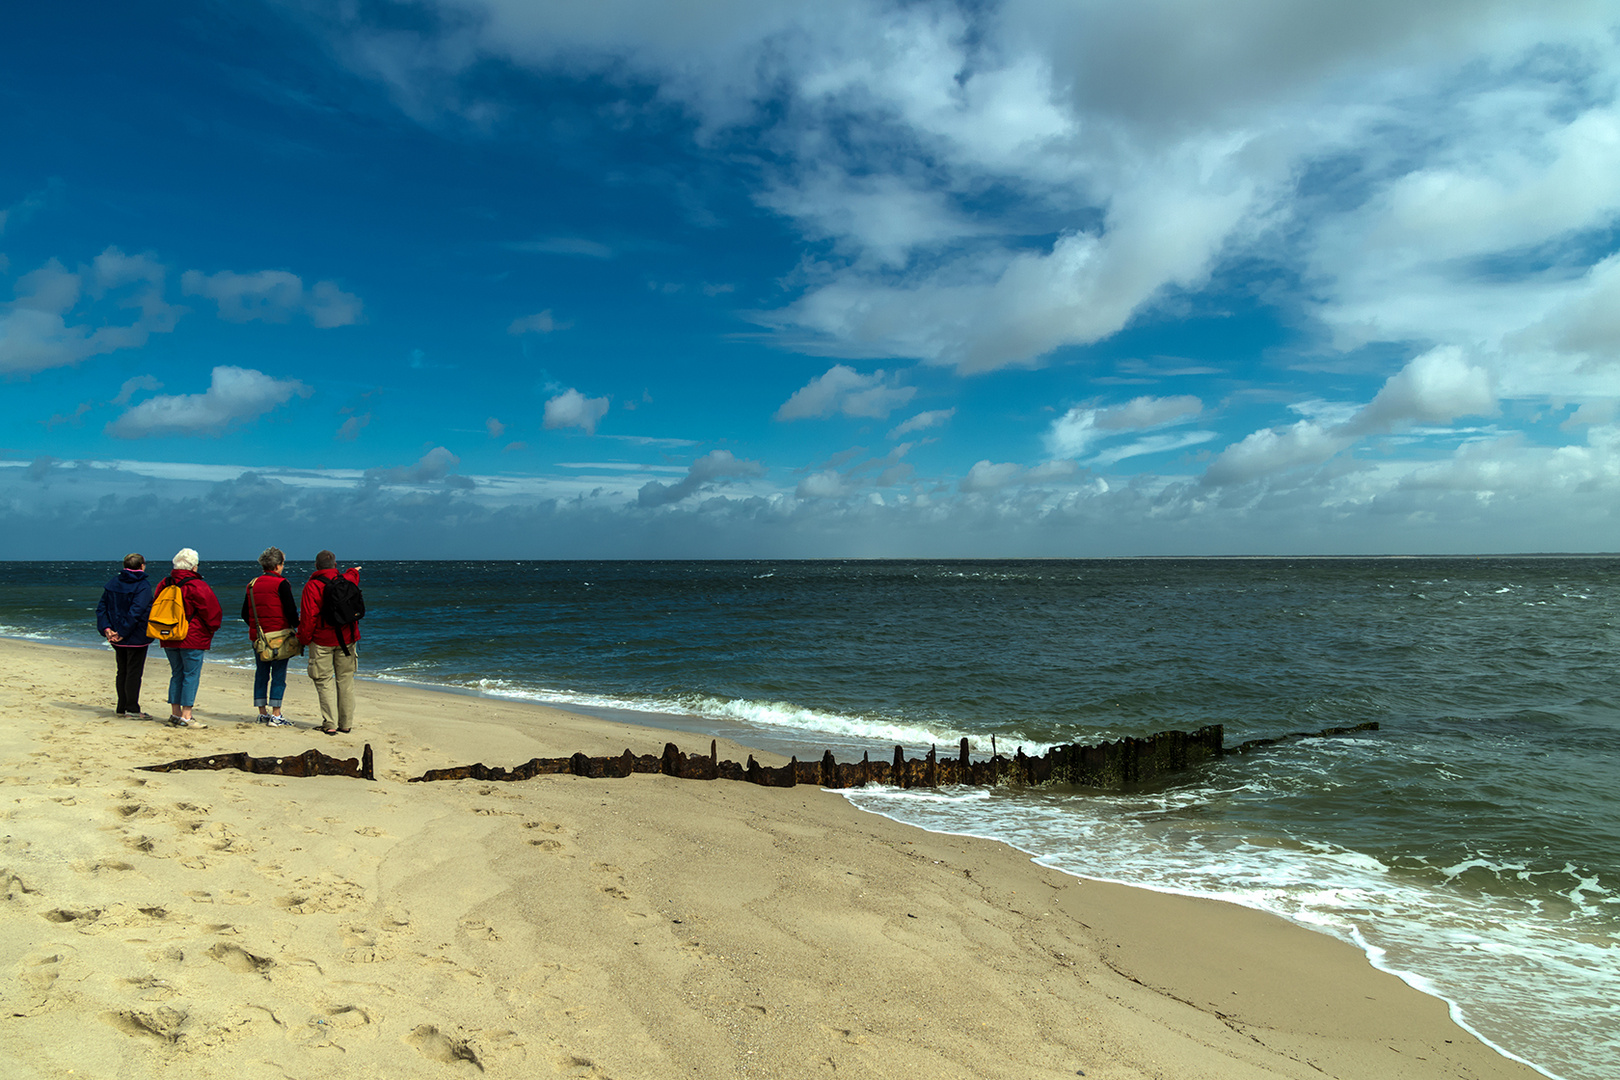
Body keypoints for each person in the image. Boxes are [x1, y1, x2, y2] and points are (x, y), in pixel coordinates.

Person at [299, 550, 362, 735]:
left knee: (324, 681)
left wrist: (303, 639)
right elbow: (352, 575)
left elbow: (308, 617)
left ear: (316, 566)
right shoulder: (347, 580)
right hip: (348, 639)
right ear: (335, 566)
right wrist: (353, 570)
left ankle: (330, 724)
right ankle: (346, 723)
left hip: (321, 641)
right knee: (346, 681)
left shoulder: (312, 586)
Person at [158, 548, 222, 728]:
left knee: (176, 673)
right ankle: (187, 716)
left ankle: (175, 713)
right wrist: (212, 629)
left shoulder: (165, 583)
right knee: (190, 675)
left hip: (168, 634)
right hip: (192, 636)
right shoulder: (197, 585)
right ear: (194, 566)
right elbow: (212, 612)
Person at [241, 545, 299, 726]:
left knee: (261, 673)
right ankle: (276, 713)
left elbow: (245, 613)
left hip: (259, 637)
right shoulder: (282, 583)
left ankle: (262, 712)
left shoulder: (252, 584)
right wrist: (298, 627)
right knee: (279, 674)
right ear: (278, 565)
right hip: (279, 636)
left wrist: (258, 628)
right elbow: (291, 611)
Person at [95, 552, 155, 719]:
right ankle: (131, 709)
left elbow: (102, 608)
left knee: (123, 671)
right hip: (133, 636)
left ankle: (122, 707)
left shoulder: (114, 582)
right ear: (142, 566)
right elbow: (136, 611)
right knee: (132, 672)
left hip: (119, 634)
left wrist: (109, 629)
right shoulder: (142, 585)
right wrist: (113, 630)